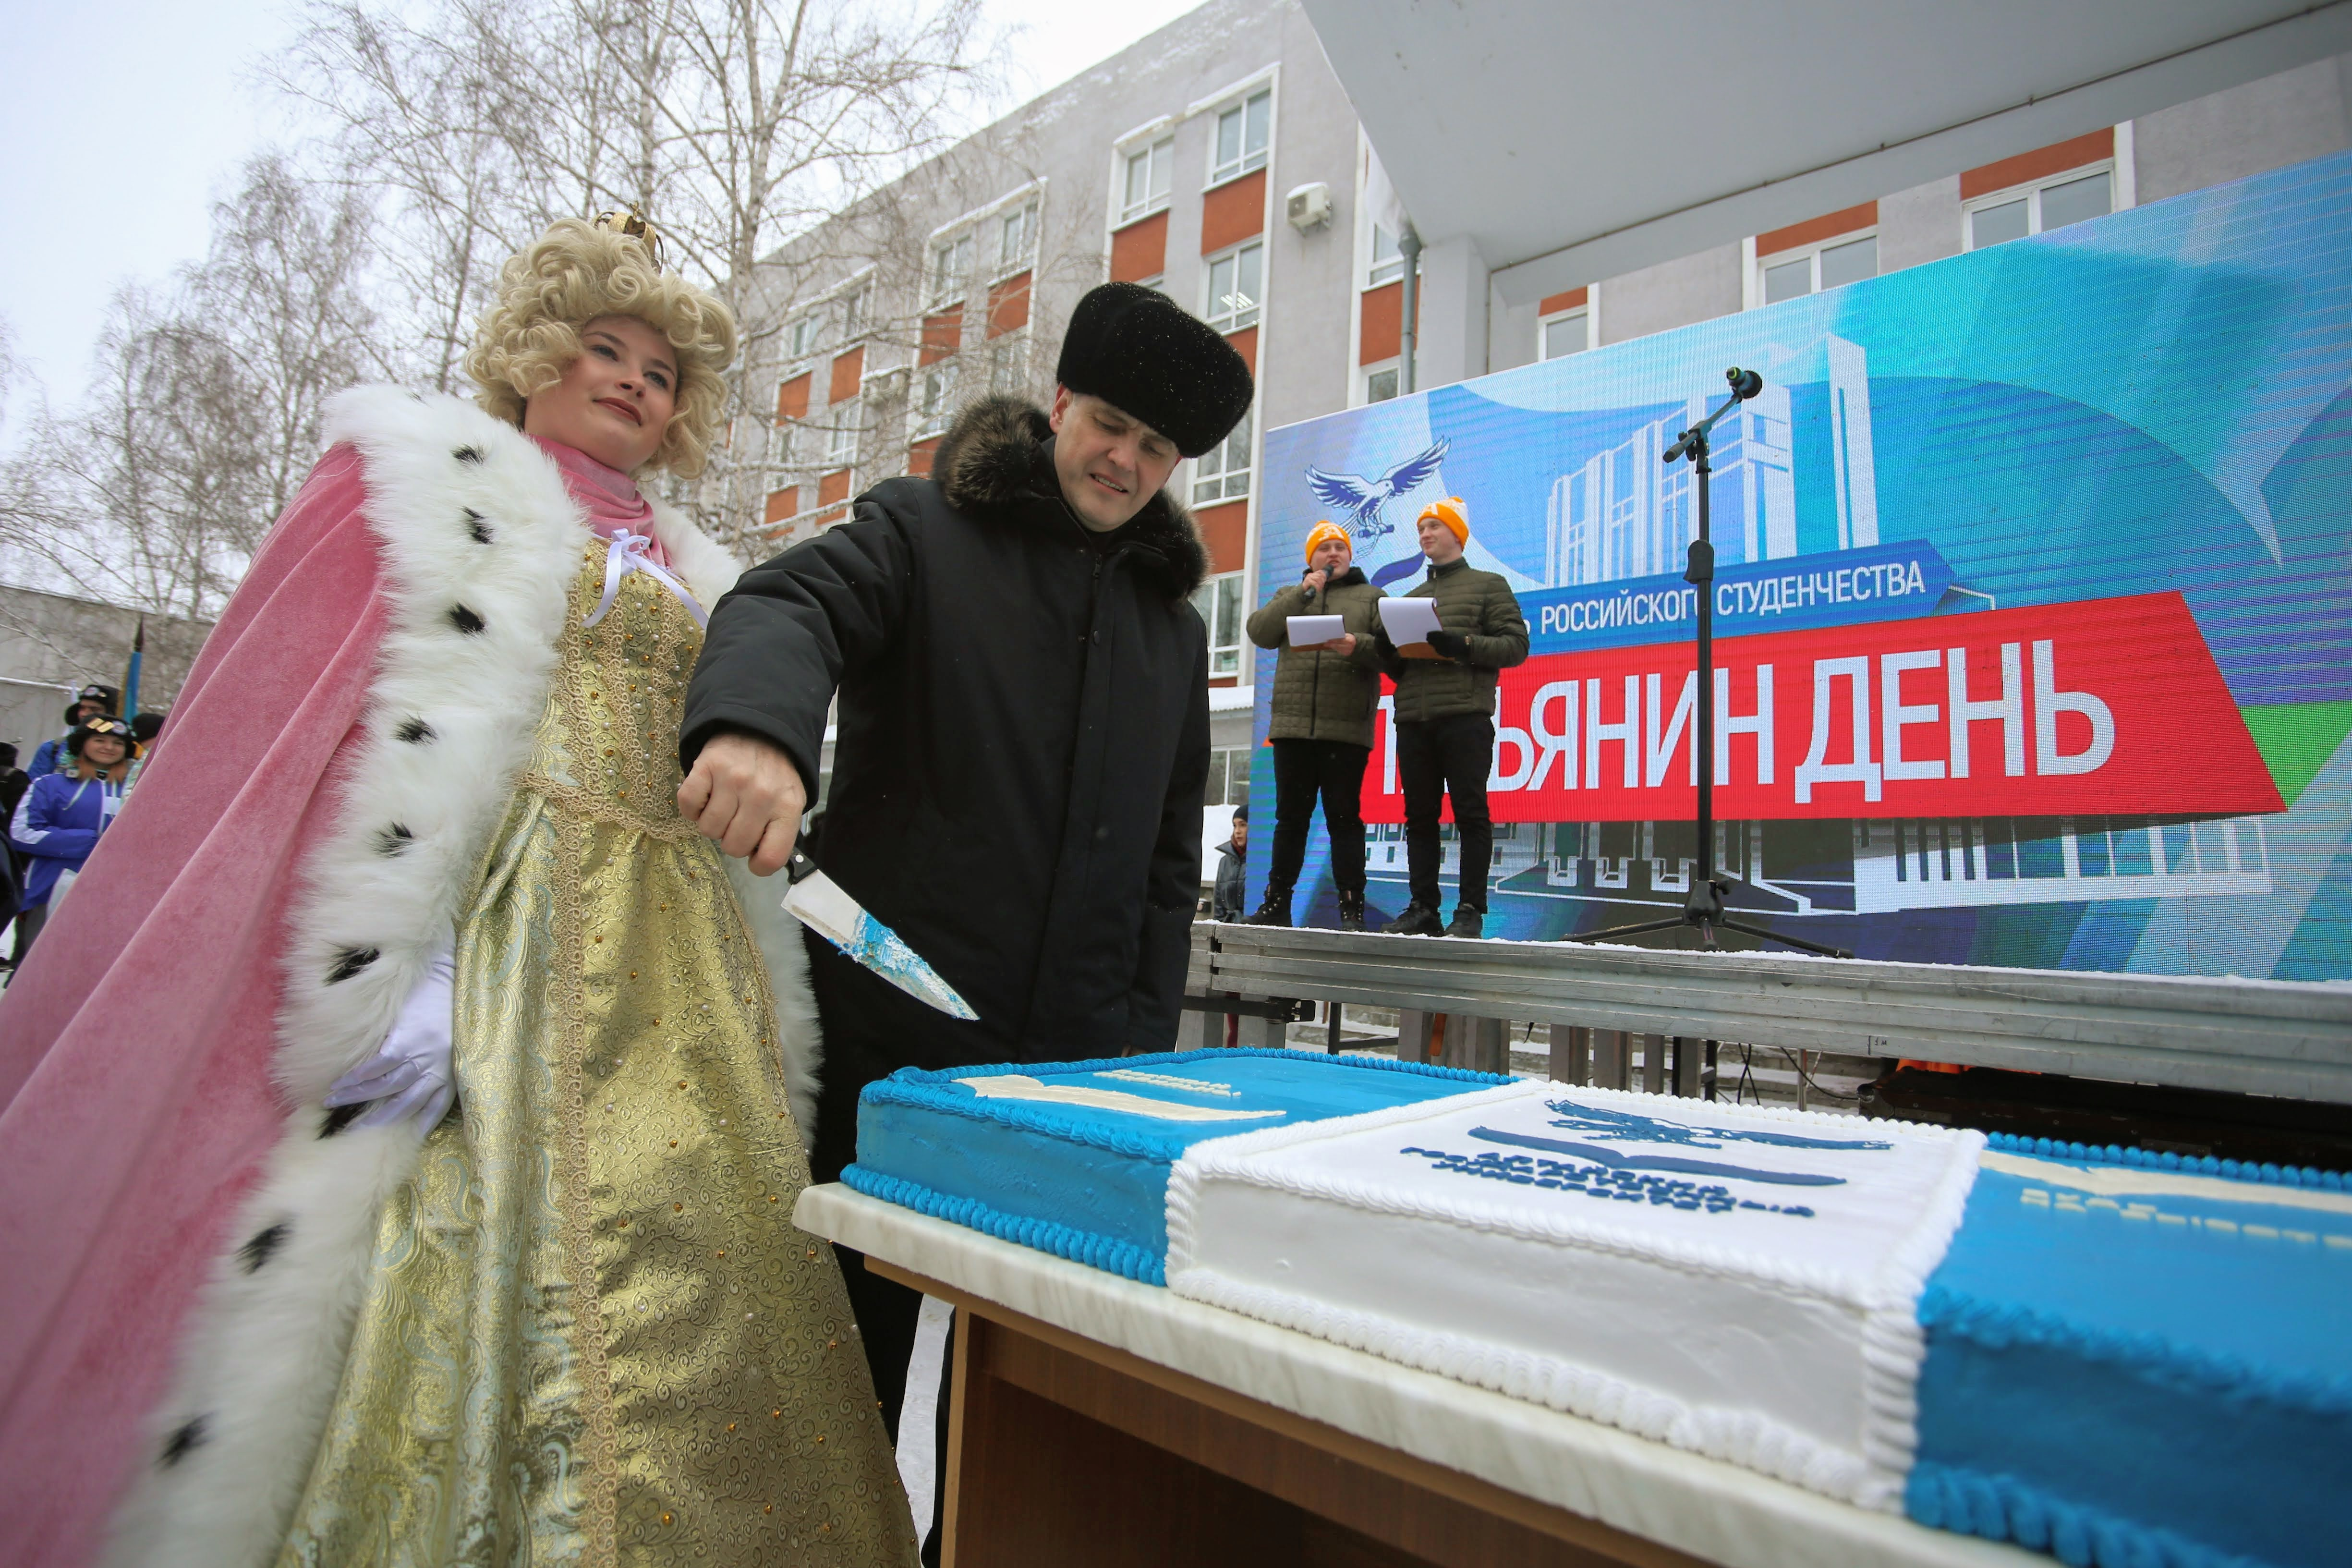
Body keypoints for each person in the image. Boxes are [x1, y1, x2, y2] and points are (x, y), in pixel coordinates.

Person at [0, 215, 916, 1568]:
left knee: (707, 1267)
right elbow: (331, 736)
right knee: (452, 1254)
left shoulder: (706, 569)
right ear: (539, 351)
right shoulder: (442, 482)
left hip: (679, 967)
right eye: (605, 348)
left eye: (660, 371)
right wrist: (401, 961)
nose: (632, 381)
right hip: (498, 929)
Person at [677, 280, 1252, 1554]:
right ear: (1059, 404)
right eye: (1108, 422)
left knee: (1024, 1409)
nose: (1124, 459)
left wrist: (1132, 1058)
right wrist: (757, 732)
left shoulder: (1168, 630)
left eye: (1156, 448)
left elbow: (1168, 870)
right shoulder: (924, 535)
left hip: (1072, 1090)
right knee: (846, 1384)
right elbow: (786, 604)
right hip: (893, 1067)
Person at [1376, 496, 1528, 938]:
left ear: (1457, 535)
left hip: (1465, 716)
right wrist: (1389, 650)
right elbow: (1402, 669)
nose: (1425, 534)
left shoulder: (1488, 585)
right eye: (1421, 528)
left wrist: (1461, 644)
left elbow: (1515, 646)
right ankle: (1424, 906)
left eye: (1434, 527)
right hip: (1414, 719)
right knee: (1419, 817)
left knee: (1470, 813)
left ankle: (1470, 910)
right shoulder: (1411, 598)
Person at [1241, 519, 1386, 929]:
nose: (1333, 553)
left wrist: (1357, 645)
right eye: (1324, 548)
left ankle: (1351, 908)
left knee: (1344, 818)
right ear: (1311, 559)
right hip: (1292, 728)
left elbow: (1393, 654)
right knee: (1291, 818)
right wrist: (1305, 593)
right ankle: (1276, 904)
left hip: (1346, 729)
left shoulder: (1371, 598)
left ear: (1351, 555)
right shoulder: (1291, 596)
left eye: (1340, 547)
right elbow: (1260, 631)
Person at [8, 715, 136, 956]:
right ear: (82, 743)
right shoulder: (49, 785)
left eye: (118, 743)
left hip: (114, 895)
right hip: (51, 891)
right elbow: (22, 832)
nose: (109, 748)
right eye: (100, 740)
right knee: (40, 967)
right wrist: (88, 843)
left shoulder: (139, 789)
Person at [27, 683, 117, 778]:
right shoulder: (53, 749)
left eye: (95, 709)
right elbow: (34, 788)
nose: (84, 714)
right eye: (82, 708)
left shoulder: (126, 752)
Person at [1211, 802, 1249, 921]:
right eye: (1235, 826)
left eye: (1243, 825)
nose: (1237, 831)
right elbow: (1218, 904)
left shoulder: (1263, 860)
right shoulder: (1225, 862)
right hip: (1227, 931)